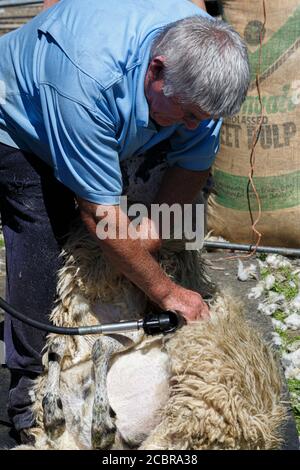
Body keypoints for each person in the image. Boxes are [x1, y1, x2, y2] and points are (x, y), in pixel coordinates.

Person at [0, 0, 250, 440]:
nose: (198, 126)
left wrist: (151, 235)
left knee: (175, 226)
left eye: (205, 118)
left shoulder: (203, 70)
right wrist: (166, 292)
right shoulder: (85, 78)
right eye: (192, 115)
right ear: (155, 70)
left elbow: (193, 164)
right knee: (46, 238)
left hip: (135, 108)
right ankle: (31, 400)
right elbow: (100, 217)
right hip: (25, 118)